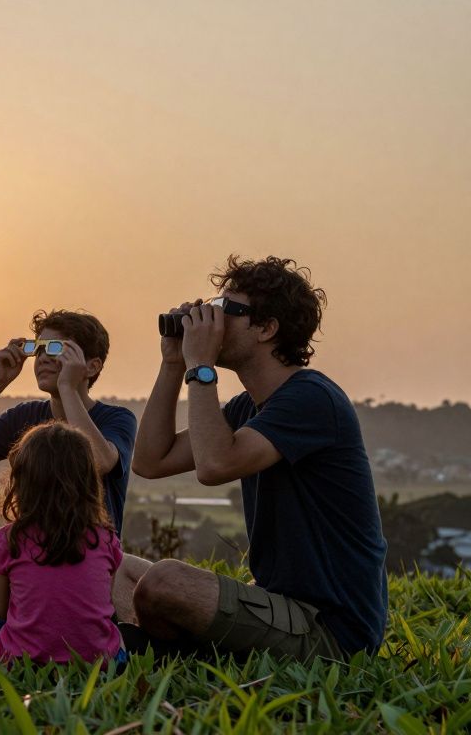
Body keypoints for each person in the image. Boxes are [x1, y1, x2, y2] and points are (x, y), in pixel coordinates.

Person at [126, 255, 388, 661]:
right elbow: (150, 462)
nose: (210, 320)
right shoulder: (248, 406)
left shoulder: (312, 398)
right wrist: (174, 362)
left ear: (267, 329)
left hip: (331, 631)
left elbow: (215, 466)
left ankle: (163, 651)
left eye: (225, 310)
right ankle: (169, 649)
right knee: (116, 568)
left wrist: (201, 365)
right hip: (276, 605)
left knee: (164, 582)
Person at [0, 310, 136, 607]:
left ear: (91, 366)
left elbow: (99, 461)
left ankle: (30, 617)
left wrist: (67, 388)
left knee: (135, 576)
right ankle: (34, 613)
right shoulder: (26, 416)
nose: (44, 358)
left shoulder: (116, 419)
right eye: (38, 349)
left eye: (57, 349)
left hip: (86, 566)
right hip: (27, 563)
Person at [0, 423, 125, 667]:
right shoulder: (107, 540)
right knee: (116, 633)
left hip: (23, 662)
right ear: (89, 482)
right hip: (100, 663)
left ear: (23, 482)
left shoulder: (9, 539)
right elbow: (105, 610)